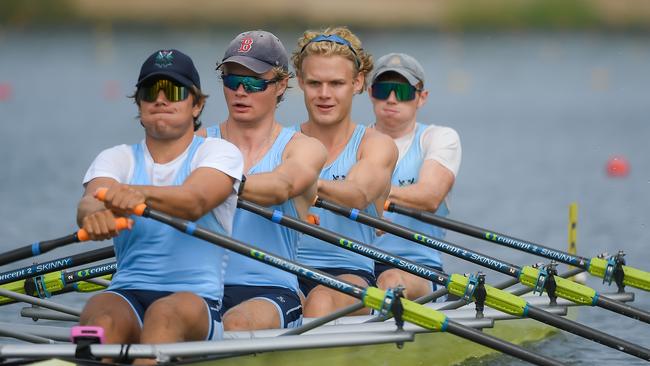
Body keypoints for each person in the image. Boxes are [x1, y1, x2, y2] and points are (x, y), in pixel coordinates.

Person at [77, 49, 243, 359]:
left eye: (175, 91)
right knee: (100, 317)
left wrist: (136, 194)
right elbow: (90, 202)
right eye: (151, 91)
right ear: (139, 104)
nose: (161, 100)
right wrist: (94, 216)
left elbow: (194, 202)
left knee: (163, 316)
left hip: (196, 302)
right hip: (127, 293)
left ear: (197, 104)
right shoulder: (116, 158)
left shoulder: (218, 153)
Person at [197, 30, 327, 330]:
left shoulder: (303, 148)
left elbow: (282, 186)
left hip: (270, 293)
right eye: (231, 81)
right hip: (200, 288)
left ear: (281, 85)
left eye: (254, 82)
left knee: (235, 325)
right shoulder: (197, 144)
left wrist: (214, 185)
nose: (241, 91)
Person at [291, 27, 398, 317]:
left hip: (350, 275)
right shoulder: (283, 142)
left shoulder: (376, 145)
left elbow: (359, 194)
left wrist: (300, 183)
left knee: (320, 301)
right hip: (282, 271)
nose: (324, 95)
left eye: (336, 83)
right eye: (314, 83)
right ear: (300, 81)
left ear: (358, 82)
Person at [369, 53, 461, 300]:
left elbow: (430, 196)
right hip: (358, 265)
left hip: (417, 270)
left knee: (389, 280)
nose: (391, 99)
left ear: (421, 98)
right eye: (383, 90)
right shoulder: (353, 141)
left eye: (402, 91)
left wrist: (364, 191)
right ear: (370, 93)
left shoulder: (438, 138)